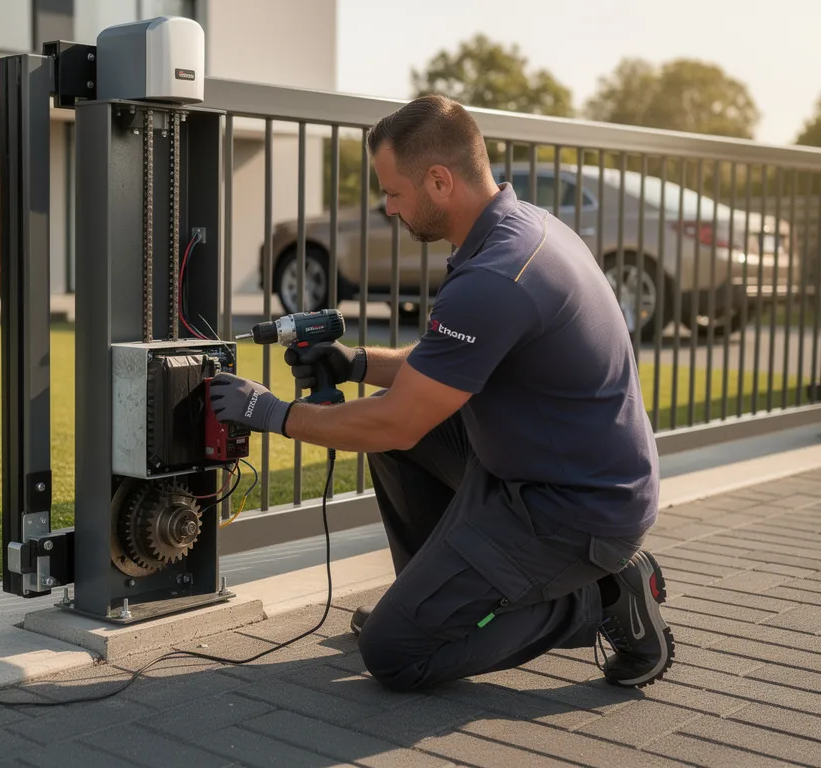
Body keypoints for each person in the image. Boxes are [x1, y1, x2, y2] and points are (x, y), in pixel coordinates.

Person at [209, 93, 674, 691]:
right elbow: (437, 369)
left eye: (395, 192)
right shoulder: (520, 229)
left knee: (395, 654)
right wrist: (355, 363)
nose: (387, 205)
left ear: (438, 180)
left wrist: (268, 412)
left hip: (575, 510)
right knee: (402, 439)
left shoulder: (496, 276)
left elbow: (394, 423)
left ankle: (602, 596)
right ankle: (431, 599)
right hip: (531, 467)